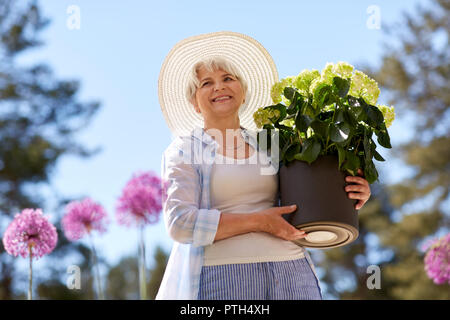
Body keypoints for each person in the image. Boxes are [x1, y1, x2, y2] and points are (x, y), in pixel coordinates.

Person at [156, 31, 371, 300]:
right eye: (206, 83)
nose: (219, 87)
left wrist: (351, 191)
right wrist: (259, 222)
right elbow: (180, 224)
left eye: (228, 78)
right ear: (194, 103)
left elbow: (308, 200)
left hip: (293, 273)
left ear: (243, 92)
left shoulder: (273, 144)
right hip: (223, 278)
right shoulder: (184, 150)